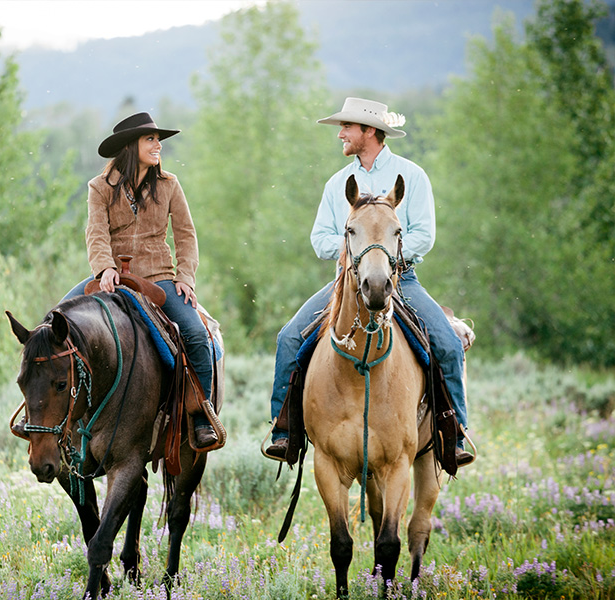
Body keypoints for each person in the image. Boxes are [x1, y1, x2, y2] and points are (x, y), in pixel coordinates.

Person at [265, 97, 472, 465]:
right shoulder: (337, 184)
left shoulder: (412, 176)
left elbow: (425, 234)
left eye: (347, 127)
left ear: (370, 132)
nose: (340, 134)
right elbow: (320, 238)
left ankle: (453, 432)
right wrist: (356, 256)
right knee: (289, 337)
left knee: (446, 343)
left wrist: (384, 260)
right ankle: (285, 430)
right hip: (348, 282)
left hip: (400, 280)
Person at [63, 112, 218, 449]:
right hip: (111, 277)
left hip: (158, 276)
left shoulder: (169, 185)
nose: (158, 145)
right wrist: (104, 268)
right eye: (150, 139)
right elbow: (96, 233)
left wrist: (186, 277)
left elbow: (186, 235)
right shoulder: (99, 188)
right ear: (131, 146)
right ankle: (61, 422)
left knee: (193, 332)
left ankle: (201, 416)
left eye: (157, 139)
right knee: (58, 320)